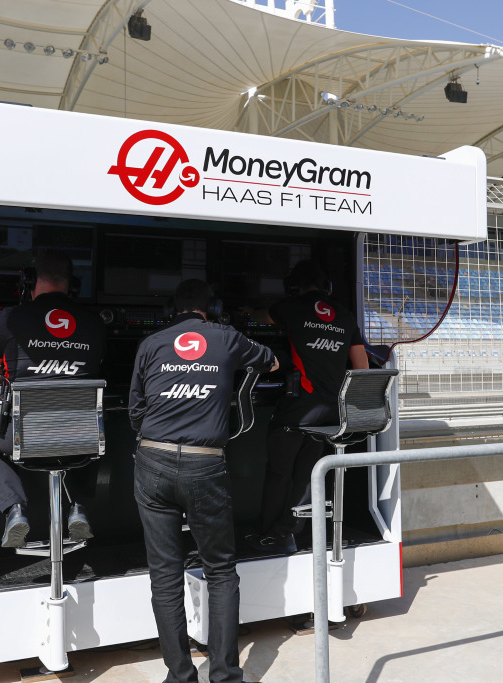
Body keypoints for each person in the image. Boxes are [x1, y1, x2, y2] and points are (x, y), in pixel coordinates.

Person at [130, 279, 278, 683]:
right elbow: (272, 363)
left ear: (171, 309)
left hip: (152, 460)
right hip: (205, 464)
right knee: (220, 571)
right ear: (212, 308)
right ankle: (226, 676)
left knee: (164, 575)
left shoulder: (150, 344)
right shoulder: (227, 337)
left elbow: (135, 411)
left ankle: (179, 675)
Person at [0, 247, 106, 548]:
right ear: (73, 285)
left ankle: (15, 510)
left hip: (26, 438)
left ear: (30, 281)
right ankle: (79, 507)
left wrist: (5, 378)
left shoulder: (12, 318)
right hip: (79, 438)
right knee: (91, 438)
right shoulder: (94, 323)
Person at [248, 259, 369, 554]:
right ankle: (290, 532)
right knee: (306, 473)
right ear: (327, 286)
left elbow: (261, 318)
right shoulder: (345, 315)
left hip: (299, 407)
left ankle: (268, 534)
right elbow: (362, 368)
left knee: (280, 472)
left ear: (294, 287)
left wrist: (248, 312)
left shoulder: (291, 307)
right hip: (331, 412)